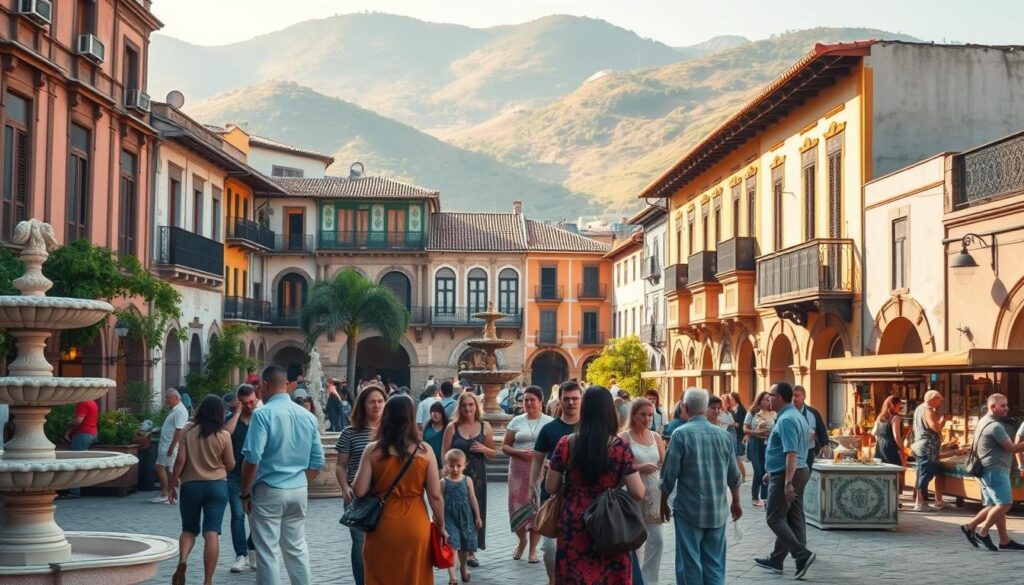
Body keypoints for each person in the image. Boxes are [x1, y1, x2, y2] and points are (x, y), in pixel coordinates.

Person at [544, 386, 644, 585]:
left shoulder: (566, 443)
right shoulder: (620, 447)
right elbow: (638, 492)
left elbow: (550, 487)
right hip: (609, 521)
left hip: (574, 522)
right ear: (610, 412)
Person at [241, 365, 325, 585]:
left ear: (265, 385)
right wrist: (298, 482)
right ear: (286, 385)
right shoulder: (307, 416)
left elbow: (252, 458)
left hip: (269, 489)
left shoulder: (262, 414)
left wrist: (244, 493)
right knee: (297, 549)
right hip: (298, 489)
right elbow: (318, 462)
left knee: (267, 553)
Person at [351, 395, 445, 585]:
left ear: (386, 417)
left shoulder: (372, 450)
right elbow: (435, 495)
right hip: (415, 525)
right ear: (411, 418)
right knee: (414, 577)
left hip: (381, 527)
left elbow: (359, 491)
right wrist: (441, 525)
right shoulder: (424, 451)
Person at [660, 388, 742, 585]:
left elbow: (669, 476)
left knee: (689, 563)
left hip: (689, 510)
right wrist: (736, 503)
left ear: (685, 407)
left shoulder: (680, 434)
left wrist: (663, 503)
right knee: (714, 564)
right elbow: (734, 475)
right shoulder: (723, 436)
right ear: (705, 408)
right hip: (717, 509)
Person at [168, 395, 234, 585]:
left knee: (188, 529)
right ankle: (208, 581)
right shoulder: (224, 435)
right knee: (211, 532)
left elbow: (180, 460)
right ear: (220, 413)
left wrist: (173, 484)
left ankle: (183, 561)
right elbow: (230, 464)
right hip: (217, 486)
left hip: (191, 486)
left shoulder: (188, 430)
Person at [755, 381, 815, 580]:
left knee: (774, 517)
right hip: (794, 471)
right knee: (793, 517)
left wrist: (787, 481)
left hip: (789, 474)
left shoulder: (787, 419)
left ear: (779, 397)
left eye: (770, 395)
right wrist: (770, 471)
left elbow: (791, 452)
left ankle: (801, 554)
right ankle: (778, 559)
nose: (768, 398)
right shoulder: (796, 415)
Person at [530, 380, 582, 585]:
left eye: (575, 399)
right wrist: (532, 486)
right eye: (566, 399)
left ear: (581, 400)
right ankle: (553, 580)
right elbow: (537, 459)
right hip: (551, 494)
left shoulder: (588, 428)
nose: (571, 403)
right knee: (550, 547)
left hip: (580, 496)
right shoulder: (549, 429)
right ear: (559, 400)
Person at [335, 383, 387, 585]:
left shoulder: (390, 432)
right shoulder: (350, 432)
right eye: (372, 401)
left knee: (384, 543)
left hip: (384, 495)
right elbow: (340, 465)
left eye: (381, 401)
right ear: (363, 405)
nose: (377, 405)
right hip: (357, 496)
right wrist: (345, 487)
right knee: (359, 544)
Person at [960, 393, 1024, 551]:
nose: (1006, 409)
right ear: (992, 407)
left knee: (995, 506)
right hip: (994, 470)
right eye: (1003, 406)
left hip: (986, 470)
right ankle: (982, 531)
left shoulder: (983, 421)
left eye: (1006, 405)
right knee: (1005, 504)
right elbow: (1013, 448)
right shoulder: (995, 426)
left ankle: (1003, 540)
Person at [442, 392, 497, 567]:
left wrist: (483, 448)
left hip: (478, 476)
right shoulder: (452, 427)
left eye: (471, 404)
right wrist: (445, 475)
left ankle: (472, 552)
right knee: (457, 512)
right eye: (464, 405)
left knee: (476, 512)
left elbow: (493, 453)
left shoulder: (484, 426)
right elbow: (444, 454)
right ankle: (456, 548)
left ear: (476, 406)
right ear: (459, 407)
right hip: (456, 477)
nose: (467, 408)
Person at [501, 386, 552, 563]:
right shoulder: (516, 421)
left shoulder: (549, 422)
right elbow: (505, 446)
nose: (529, 403)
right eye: (525, 400)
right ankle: (522, 541)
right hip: (517, 471)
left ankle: (532, 550)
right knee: (516, 507)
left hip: (540, 471)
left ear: (540, 402)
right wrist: (519, 453)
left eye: (532, 400)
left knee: (536, 508)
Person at [620, 398, 666, 585]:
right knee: (635, 540)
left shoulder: (655, 436)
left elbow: (663, 462)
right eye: (643, 415)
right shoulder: (624, 437)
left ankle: (650, 580)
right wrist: (638, 466)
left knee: (658, 539)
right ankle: (634, 579)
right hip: (632, 491)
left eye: (650, 415)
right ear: (633, 415)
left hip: (654, 493)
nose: (647, 419)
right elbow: (619, 465)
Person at [224, 384, 259, 573]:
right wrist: (237, 414)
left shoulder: (260, 418)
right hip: (235, 475)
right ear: (238, 402)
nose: (250, 406)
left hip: (257, 476)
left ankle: (252, 550)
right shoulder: (231, 420)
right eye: (245, 403)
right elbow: (224, 434)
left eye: (252, 401)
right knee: (237, 515)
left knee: (255, 517)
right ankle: (240, 555)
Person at [442, 449, 483, 584]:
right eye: (451, 465)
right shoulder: (443, 482)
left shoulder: (467, 480)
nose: (455, 469)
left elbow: (473, 499)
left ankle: (463, 568)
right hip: (449, 518)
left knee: (465, 546)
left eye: (458, 465)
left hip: (465, 517)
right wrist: (438, 519)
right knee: (452, 546)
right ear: (446, 464)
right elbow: (438, 501)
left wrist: (477, 516)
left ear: (464, 465)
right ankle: (452, 577)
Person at [911, 390, 949, 511]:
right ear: (933, 399)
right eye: (939, 399)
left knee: (921, 472)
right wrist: (943, 420)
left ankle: (919, 500)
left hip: (919, 445)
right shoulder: (927, 410)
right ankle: (920, 502)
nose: (940, 402)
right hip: (928, 447)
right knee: (926, 473)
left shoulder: (919, 409)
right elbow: (935, 427)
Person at [153, 389, 190, 504]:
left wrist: (172, 447)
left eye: (168, 398)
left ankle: (165, 494)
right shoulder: (176, 410)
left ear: (175, 398)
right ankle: (171, 494)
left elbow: (179, 430)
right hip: (167, 444)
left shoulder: (179, 411)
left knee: (160, 467)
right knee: (169, 470)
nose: (166, 400)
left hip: (169, 445)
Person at [744, 391, 776, 507]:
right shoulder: (753, 412)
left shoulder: (774, 413)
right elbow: (745, 429)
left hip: (769, 444)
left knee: (766, 470)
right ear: (760, 400)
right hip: (755, 444)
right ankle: (755, 496)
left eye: (769, 399)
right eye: (765, 399)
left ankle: (765, 497)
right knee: (758, 471)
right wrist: (756, 433)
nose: (768, 401)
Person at [63, 398, 99, 498]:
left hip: (82, 435)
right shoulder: (92, 402)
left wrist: (67, 423)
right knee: (83, 462)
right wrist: (68, 433)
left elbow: (78, 420)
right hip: (91, 434)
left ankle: (74, 492)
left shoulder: (83, 402)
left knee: (76, 463)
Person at [792, 386, 830, 470]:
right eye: (792, 396)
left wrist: (825, 444)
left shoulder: (813, 412)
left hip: (808, 450)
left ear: (804, 397)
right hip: (792, 451)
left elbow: (821, 430)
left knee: (807, 474)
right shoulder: (787, 413)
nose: (794, 398)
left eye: (797, 396)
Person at [873, 396, 905, 466]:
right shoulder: (895, 418)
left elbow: (873, 432)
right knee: (897, 472)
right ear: (892, 405)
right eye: (899, 405)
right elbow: (897, 436)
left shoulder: (879, 417)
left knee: (883, 473)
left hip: (879, 448)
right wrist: (902, 449)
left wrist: (881, 440)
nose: (900, 407)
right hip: (891, 449)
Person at [729, 391, 749, 483]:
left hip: (739, 435)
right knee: (735, 457)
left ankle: (743, 475)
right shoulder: (732, 409)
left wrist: (731, 424)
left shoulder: (740, 409)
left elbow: (741, 424)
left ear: (736, 399)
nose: (731, 401)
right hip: (734, 435)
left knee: (736, 457)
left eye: (732, 399)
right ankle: (740, 475)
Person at [424, 402, 449, 469]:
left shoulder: (447, 428)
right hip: (427, 461)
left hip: (442, 464)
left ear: (442, 414)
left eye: (438, 411)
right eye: (433, 411)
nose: (435, 414)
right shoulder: (427, 426)